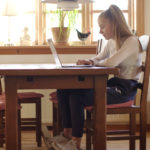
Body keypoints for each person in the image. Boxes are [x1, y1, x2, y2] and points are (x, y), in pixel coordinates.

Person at [51, 4, 142, 150]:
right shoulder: (111, 41)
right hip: (112, 85)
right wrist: (90, 61)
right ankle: (67, 134)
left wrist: (95, 62)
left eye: (102, 26)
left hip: (124, 90)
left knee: (77, 97)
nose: (100, 31)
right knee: (64, 89)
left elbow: (111, 62)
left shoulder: (131, 41)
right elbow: (100, 57)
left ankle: (75, 143)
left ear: (115, 24)